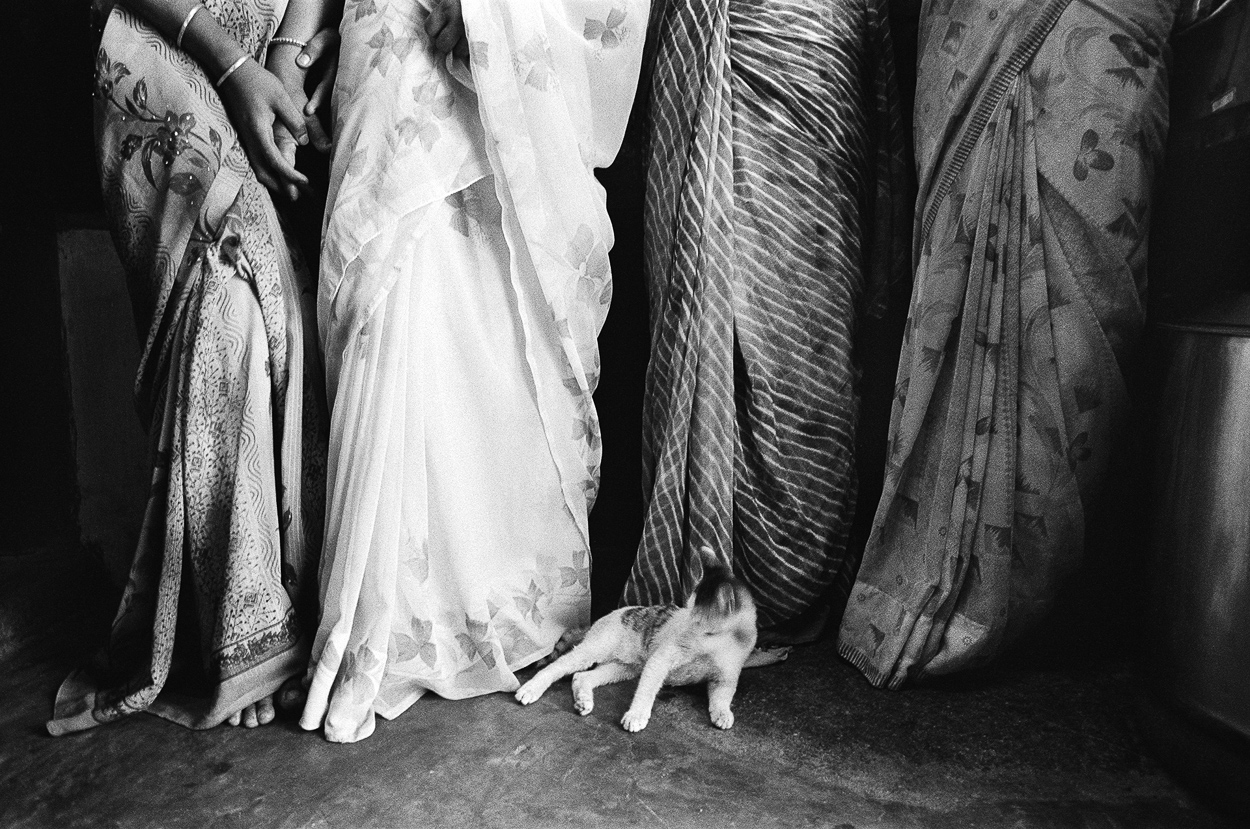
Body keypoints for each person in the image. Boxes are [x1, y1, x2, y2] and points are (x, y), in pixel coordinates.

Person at [298, 0, 649, 742]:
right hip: (390, 38)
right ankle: (391, 618)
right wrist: (287, 48)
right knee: (396, 286)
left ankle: (498, 598)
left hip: (496, 29)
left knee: (499, 286)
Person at [838, 0, 1178, 687]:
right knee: (957, 277)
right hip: (976, 31)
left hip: (1110, 40)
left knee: (1084, 303)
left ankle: (1037, 587)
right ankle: (952, 576)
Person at [48, 0, 337, 734]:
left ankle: (258, 618)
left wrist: (282, 56)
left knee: (255, 301)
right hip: (156, 41)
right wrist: (233, 67)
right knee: (229, 260)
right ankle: (241, 630)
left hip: (273, 42)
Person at [620, 0, 910, 638]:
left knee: (813, 333)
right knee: (707, 306)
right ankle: (713, 563)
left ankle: (793, 573)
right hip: (717, 47)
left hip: (821, 65)